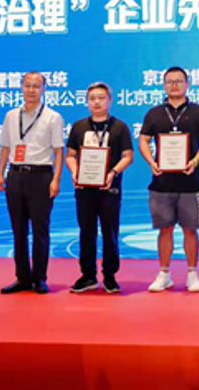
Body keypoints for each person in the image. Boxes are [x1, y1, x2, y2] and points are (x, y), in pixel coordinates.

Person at [139, 67, 199, 293]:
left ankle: (192, 274)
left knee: (190, 229)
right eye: (170, 81)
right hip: (161, 182)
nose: (174, 85)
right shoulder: (154, 113)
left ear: (187, 84)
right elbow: (143, 140)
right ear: (164, 85)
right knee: (165, 229)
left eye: (179, 81)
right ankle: (164, 274)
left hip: (190, 182)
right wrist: (151, 162)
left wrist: (195, 160)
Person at [0, 71, 65, 294]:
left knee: (40, 230)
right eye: (27, 85)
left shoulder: (53, 117)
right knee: (18, 230)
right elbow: (5, 146)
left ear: (44, 89)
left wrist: (56, 179)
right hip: (15, 175)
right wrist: (1, 174)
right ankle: (22, 278)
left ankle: (40, 278)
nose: (31, 90)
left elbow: (58, 151)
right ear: (21, 87)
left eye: (36, 86)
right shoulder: (11, 116)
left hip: (41, 176)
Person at [65, 82, 134, 294]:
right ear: (87, 102)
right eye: (92, 98)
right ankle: (88, 276)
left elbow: (128, 156)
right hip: (84, 189)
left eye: (101, 98)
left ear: (110, 100)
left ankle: (110, 276)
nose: (96, 102)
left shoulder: (120, 127)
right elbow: (70, 155)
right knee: (86, 232)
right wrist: (75, 172)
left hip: (109, 189)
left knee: (110, 232)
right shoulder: (78, 127)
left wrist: (112, 173)